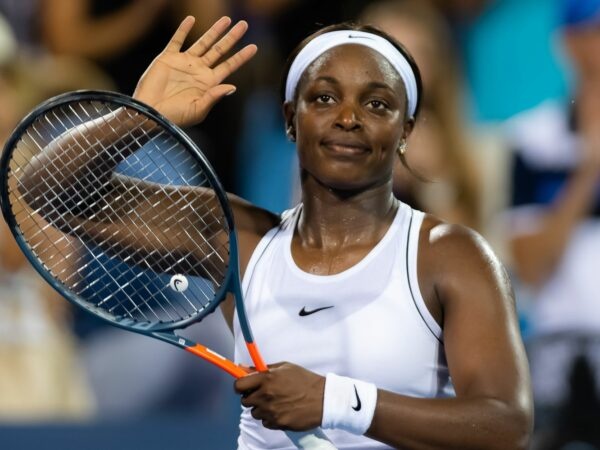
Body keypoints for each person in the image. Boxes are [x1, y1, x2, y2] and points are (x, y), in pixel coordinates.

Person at [19, 15, 533, 449]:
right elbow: (45, 190)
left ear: (407, 129)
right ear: (291, 119)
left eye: (377, 104)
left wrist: (335, 401)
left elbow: (505, 423)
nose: (349, 118)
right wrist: (141, 117)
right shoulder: (236, 239)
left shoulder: (451, 255)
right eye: (325, 98)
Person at [505, 0, 600, 437]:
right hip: (558, 358)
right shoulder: (532, 138)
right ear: (568, 43)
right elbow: (530, 267)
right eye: (594, 30)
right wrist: (588, 171)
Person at [360, 0, 482, 230]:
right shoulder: (329, 141)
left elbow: (471, 253)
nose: (397, 71)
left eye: (413, 55)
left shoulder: (470, 147)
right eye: (385, 53)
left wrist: (434, 181)